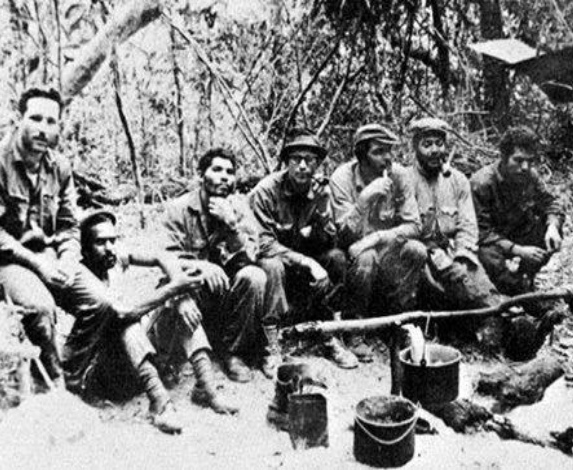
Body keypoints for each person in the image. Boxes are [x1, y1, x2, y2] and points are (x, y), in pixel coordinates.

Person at [0, 87, 104, 385]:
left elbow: (69, 224)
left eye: (51, 121)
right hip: (4, 263)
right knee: (41, 308)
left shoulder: (60, 166)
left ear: (59, 126)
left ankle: (64, 371)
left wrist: (68, 259)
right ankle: (52, 382)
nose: (43, 129)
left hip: (51, 256)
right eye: (36, 118)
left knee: (100, 303)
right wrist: (39, 265)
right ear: (19, 119)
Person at [64, 210, 237, 435]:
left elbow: (160, 256)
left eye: (112, 240)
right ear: (85, 250)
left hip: (138, 361)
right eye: (100, 242)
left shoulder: (115, 259)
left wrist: (178, 288)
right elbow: (123, 314)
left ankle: (207, 387)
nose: (109, 248)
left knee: (179, 303)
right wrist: (174, 287)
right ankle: (160, 404)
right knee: (126, 323)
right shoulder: (82, 277)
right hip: (106, 374)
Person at [249, 129, 358, 371]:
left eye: (309, 160)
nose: (302, 166)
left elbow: (329, 243)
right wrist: (307, 263)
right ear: (286, 163)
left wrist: (322, 211)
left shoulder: (320, 190)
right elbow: (263, 244)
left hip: (303, 271)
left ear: (317, 164)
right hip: (278, 268)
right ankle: (272, 344)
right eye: (295, 159)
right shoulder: (266, 191)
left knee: (337, 259)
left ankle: (330, 335)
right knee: (271, 264)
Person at [160, 148, 268, 383]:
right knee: (171, 291)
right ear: (201, 175)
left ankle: (233, 354)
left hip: (224, 299)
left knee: (255, 276)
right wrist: (202, 267)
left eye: (230, 172)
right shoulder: (179, 208)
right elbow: (165, 260)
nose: (224, 177)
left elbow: (251, 257)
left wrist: (231, 225)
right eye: (216, 169)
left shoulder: (239, 208)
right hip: (190, 291)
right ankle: (172, 357)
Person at [329, 124, 426, 360]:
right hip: (353, 255)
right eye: (378, 152)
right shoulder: (342, 178)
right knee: (365, 257)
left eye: (389, 151)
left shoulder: (399, 175)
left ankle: (396, 323)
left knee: (417, 251)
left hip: (388, 251)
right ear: (362, 154)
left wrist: (378, 237)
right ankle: (355, 330)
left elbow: (414, 225)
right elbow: (343, 236)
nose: (387, 158)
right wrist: (364, 199)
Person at [407, 117, 505, 318]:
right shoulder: (405, 180)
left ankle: (512, 322)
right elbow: (401, 228)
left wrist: (462, 257)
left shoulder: (457, 180)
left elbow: (468, 226)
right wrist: (429, 255)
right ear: (415, 147)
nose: (435, 150)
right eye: (427, 144)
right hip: (417, 259)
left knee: (472, 279)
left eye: (439, 143)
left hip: (452, 253)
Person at [470, 126, 565, 296]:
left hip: (519, 233)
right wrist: (518, 250)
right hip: (492, 243)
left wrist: (552, 227)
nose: (525, 167)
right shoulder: (481, 183)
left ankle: (526, 278)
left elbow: (551, 204)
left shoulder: (531, 176)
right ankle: (513, 291)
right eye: (518, 160)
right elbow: (481, 234)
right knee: (486, 254)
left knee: (550, 230)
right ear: (504, 158)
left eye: (530, 161)